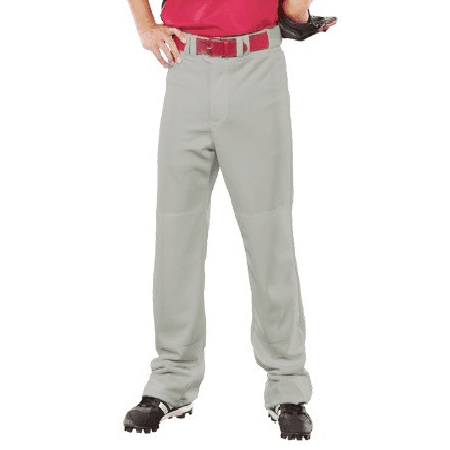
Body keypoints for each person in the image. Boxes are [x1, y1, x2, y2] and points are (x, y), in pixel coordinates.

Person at [123, 0, 335, 441]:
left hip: (258, 66)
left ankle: (287, 385)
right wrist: (145, 25)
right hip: (186, 64)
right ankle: (171, 379)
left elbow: (294, 13)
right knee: (176, 233)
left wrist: (299, 16)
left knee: (268, 232)